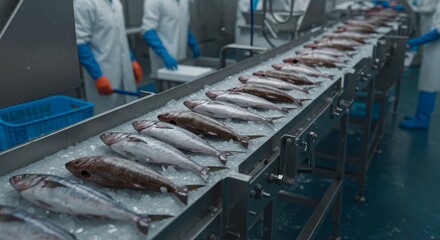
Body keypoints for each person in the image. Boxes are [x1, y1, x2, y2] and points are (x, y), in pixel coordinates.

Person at [73, 0, 143, 114]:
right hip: (104, 73)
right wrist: (97, 76)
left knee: (130, 115)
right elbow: (80, 42)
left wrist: (132, 60)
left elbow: (120, 38)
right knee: (107, 119)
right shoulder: (84, 3)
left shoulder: (116, 3)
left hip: (124, 72)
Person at [399, 1, 440, 129]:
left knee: (429, 83)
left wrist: (414, 42)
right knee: (427, 81)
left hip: (437, 49)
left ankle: (422, 119)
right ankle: (420, 116)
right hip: (434, 46)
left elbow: (438, 31)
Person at [141, 0, 200, 77]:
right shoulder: (153, 1)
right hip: (164, 59)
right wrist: (164, 55)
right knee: (165, 86)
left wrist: (192, 43)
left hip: (182, 57)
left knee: (182, 85)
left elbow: (182, 23)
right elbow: (147, 31)